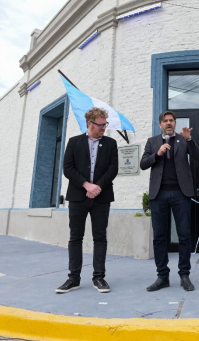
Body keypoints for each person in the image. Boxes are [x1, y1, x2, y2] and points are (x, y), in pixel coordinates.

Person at [57, 107, 119, 294]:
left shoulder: (110, 143)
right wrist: (86, 185)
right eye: (100, 125)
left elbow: (113, 168)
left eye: (105, 124)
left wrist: (97, 187)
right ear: (89, 124)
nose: (103, 128)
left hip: (102, 197)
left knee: (100, 237)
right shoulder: (74, 142)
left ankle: (99, 277)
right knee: (76, 237)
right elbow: (68, 168)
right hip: (78, 197)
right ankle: (73, 278)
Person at [140, 111, 199, 292]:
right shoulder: (152, 142)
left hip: (180, 194)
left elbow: (197, 156)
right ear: (160, 125)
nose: (169, 123)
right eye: (165, 121)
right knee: (159, 236)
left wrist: (189, 139)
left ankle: (184, 275)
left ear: (175, 123)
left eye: (171, 121)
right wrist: (157, 154)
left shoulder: (183, 140)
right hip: (159, 195)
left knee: (184, 235)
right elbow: (143, 164)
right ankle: (162, 276)